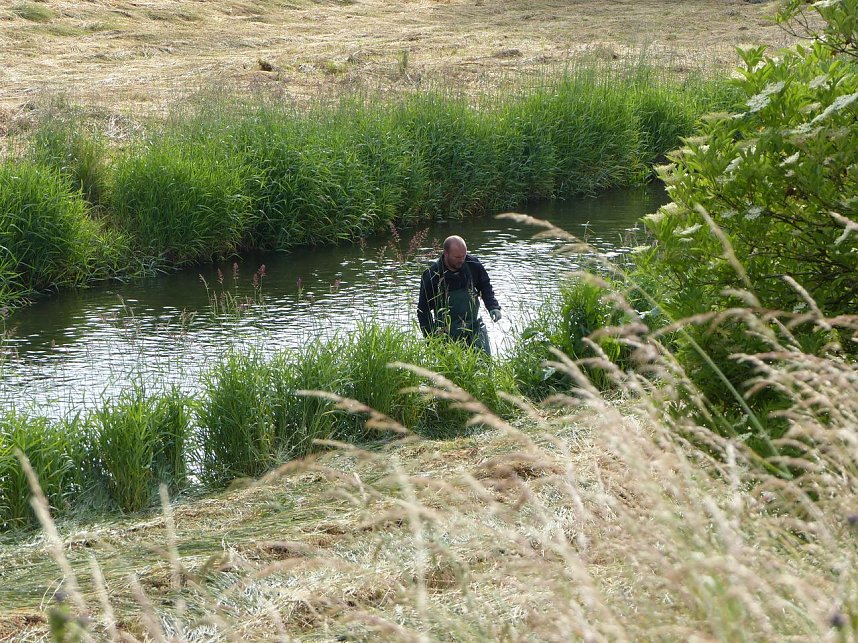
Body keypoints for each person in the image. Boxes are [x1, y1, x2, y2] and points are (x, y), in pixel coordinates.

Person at [417, 235, 502, 355]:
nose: (461, 260)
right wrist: (430, 339)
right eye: (457, 257)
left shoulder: (473, 264)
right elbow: (423, 311)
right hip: (447, 333)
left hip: (474, 328)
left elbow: (485, 287)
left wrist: (493, 307)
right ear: (446, 254)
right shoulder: (432, 275)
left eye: (463, 256)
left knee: (484, 365)